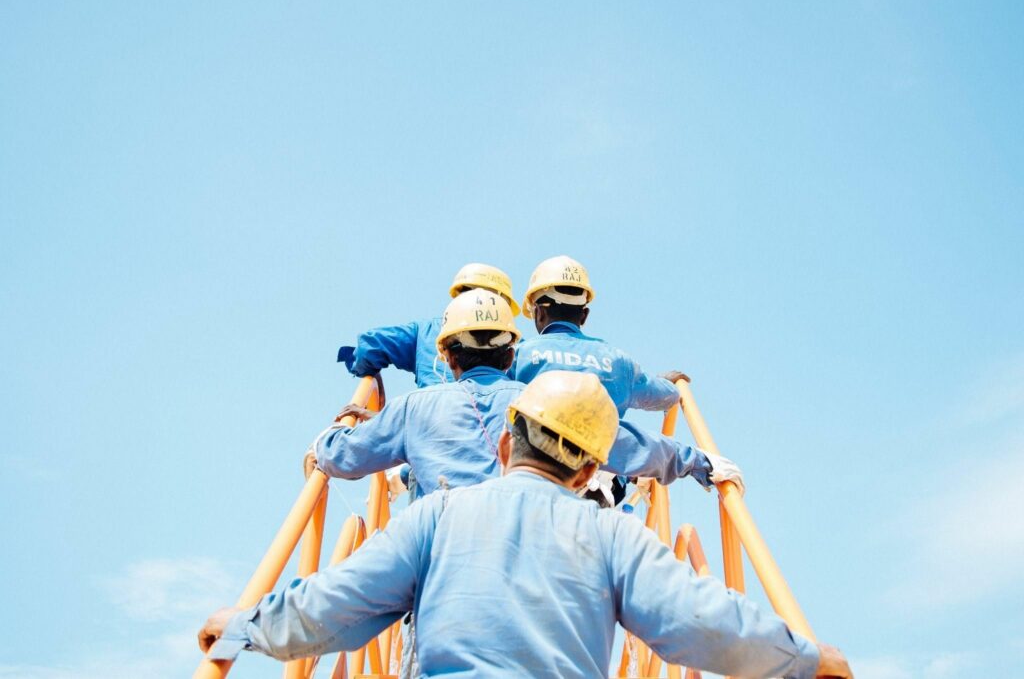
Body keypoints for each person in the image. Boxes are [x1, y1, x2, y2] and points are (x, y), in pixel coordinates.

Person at [199, 371, 853, 679]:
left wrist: (241, 629)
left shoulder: (435, 517)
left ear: (507, 445)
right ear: (588, 471)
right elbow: (699, 619)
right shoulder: (616, 535)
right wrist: (803, 657)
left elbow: (336, 605)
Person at [310, 289, 740, 500]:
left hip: (442, 579)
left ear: (446, 352)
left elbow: (340, 456)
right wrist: (699, 462)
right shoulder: (546, 403)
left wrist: (334, 432)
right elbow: (627, 443)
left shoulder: (412, 409)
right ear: (511, 349)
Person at [513, 255, 685, 417]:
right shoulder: (619, 361)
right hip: (604, 448)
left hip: (534, 448)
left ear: (540, 313)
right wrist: (667, 383)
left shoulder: (519, 356)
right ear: (584, 315)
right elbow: (666, 396)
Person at [337, 263, 521, 388]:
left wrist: (369, 374)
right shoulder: (515, 346)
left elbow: (370, 346)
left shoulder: (425, 333)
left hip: (427, 428)